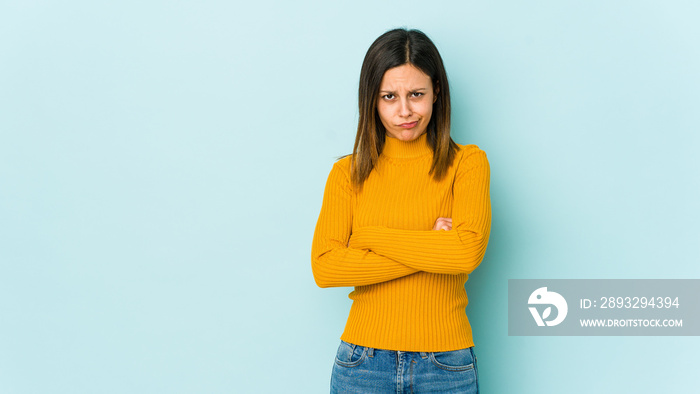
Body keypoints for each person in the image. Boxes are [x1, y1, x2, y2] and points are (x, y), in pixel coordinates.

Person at [311, 28, 491, 394]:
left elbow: (465, 252)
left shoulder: (468, 163)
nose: (404, 110)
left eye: (417, 94)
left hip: (445, 363)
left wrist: (369, 238)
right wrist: (432, 246)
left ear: (436, 92)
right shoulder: (347, 173)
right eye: (389, 97)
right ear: (371, 101)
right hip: (361, 362)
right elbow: (326, 267)